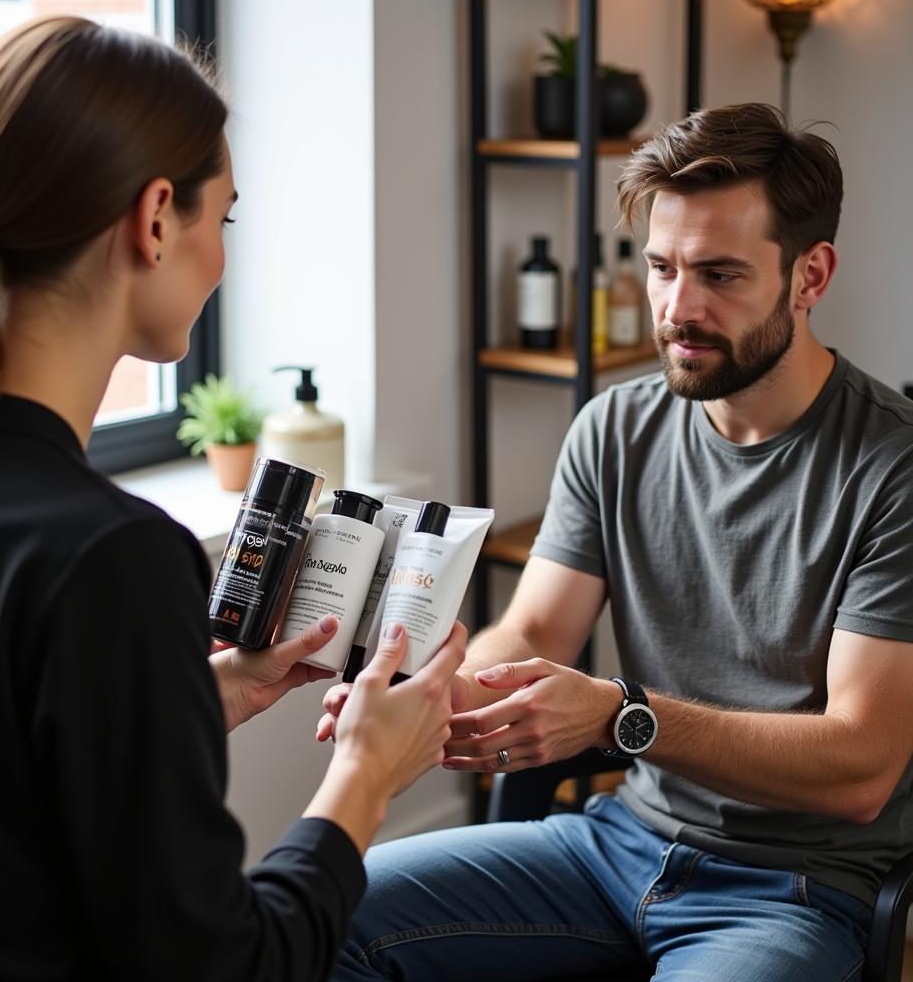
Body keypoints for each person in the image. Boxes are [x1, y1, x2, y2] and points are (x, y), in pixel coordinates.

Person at [0, 15, 466, 982]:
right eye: (224, 219)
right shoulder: (108, 555)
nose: (224, 257)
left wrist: (190, 701)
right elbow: (228, 967)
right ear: (156, 219)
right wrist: (367, 778)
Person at [324, 104, 913, 981]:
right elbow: (535, 634)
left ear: (809, 274)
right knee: (315, 918)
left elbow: (861, 767)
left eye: (720, 275)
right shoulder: (614, 428)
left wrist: (616, 712)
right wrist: (434, 699)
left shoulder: (889, 468)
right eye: (663, 268)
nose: (679, 308)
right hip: (612, 845)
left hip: (794, 887)